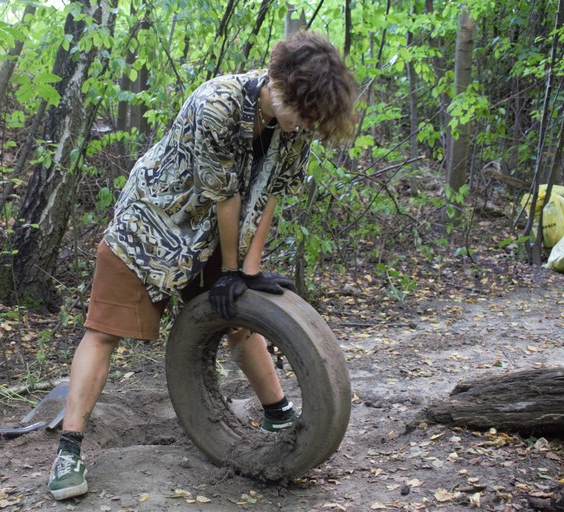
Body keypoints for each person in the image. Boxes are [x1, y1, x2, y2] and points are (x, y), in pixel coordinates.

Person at [47, 31, 358, 500]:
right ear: (278, 83)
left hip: (214, 233)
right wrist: (230, 267)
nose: (306, 123)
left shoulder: (295, 125)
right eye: (303, 111)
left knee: (240, 317)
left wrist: (246, 271)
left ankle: (278, 413)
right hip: (151, 223)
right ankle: (68, 451)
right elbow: (225, 194)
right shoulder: (217, 102)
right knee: (104, 331)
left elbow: (271, 193)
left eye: (314, 117)